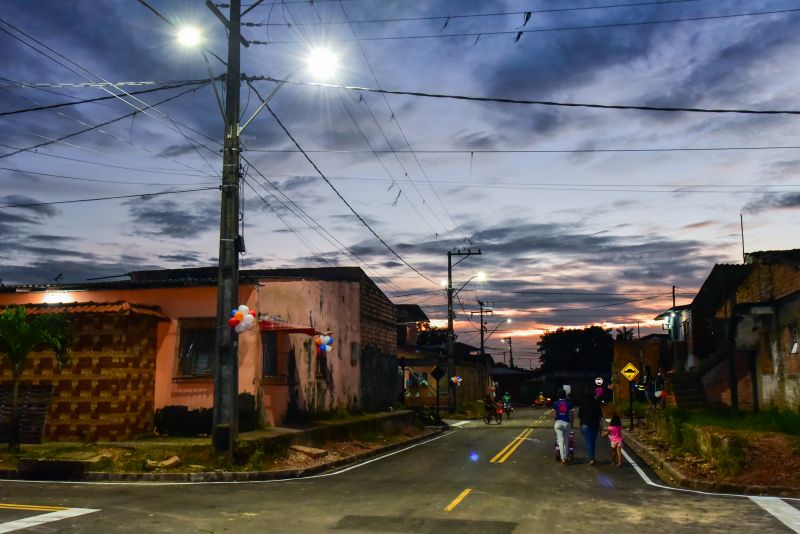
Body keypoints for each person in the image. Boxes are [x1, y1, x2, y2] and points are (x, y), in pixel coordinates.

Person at [578, 391, 603, 465]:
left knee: (588, 442)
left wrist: (580, 427)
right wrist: (601, 428)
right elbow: (600, 418)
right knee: (592, 442)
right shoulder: (597, 406)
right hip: (595, 426)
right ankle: (592, 458)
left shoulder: (582, 406)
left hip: (585, 426)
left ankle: (591, 458)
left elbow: (580, 418)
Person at [552, 389, 574, 465]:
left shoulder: (555, 403)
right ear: (565, 395)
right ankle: (566, 457)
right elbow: (571, 416)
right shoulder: (569, 403)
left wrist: (557, 420)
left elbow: (554, 415)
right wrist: (571, 424)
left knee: (560, 441)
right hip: (567, 423)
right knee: (566, 441)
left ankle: (563, 459)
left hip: (558, 423)